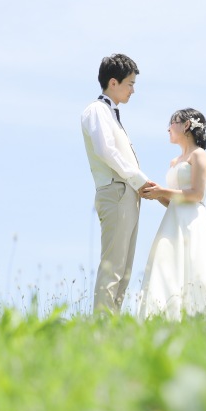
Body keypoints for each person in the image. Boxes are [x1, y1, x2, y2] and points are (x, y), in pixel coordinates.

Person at [138, 108, 206, 322]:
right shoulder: (174, 162)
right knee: (168, 269)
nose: (168, 128)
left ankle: (202, 320)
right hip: (172, 222)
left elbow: (196, 194)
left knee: (196, 270)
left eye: (172, 123)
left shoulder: (198, 155)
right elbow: (174, 201)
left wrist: (163, 190)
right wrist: (156, 195)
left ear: (186, 126)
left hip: (193, 222)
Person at [81, 53, 155, 314]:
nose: (133, 90)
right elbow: (106, 151)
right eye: (130, 84)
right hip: (116, 190)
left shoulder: (111, 113)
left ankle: (112, 324)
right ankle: (101, 325)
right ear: (113, 82)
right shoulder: (97, 110)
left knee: (124, 269)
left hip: (127, 193)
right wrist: (139, 180)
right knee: (113, 266)